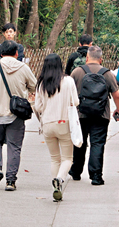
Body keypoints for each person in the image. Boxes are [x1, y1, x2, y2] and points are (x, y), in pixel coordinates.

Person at [0, 40, 37, 191]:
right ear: (17, 53)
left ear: (1, 53)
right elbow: (34, 86)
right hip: (16, 114)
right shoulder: (23, 68)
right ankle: (11, 181)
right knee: (14, 147)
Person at [69, 46, 119, 186]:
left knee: (79, 142)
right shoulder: (107, 74)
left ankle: (76, 171)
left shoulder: (77, 72)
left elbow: (69, 92)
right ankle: (96, 176)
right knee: (97, 143)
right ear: (101, 59)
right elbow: (116, 94)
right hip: (101, 115)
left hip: (80, 114)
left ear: (87, 58)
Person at [34, 53, 79, 202]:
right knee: (67, 158)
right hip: (64, 123)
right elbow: (76, 102)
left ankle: (55, 188)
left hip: (47, 124)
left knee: (54, 159)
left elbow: (38, 106)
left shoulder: (41, 84)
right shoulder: (68, 81)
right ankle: (59, 179)